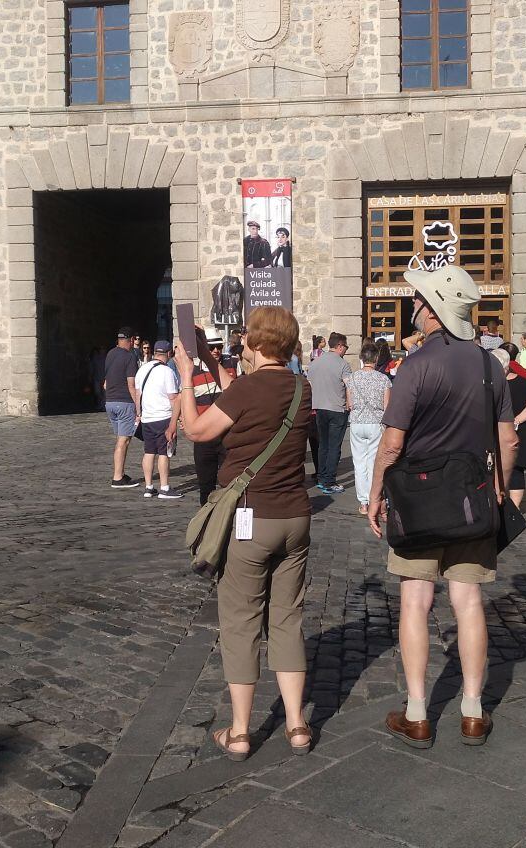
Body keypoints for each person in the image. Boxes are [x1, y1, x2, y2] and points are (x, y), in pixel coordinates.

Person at [368, 265, 517, 750]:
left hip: (418, 501)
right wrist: (501, 491)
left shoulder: (416, 366)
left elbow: (392, 444)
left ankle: (417, 713)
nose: (413, 305)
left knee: (415, 600)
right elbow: (509, 441)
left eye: (418, 300)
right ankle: (473, 710)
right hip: (473, 498)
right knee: (468, 601)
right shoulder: (491, 366)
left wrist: (375, 495)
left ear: (433, 311)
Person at [173, 306, 314, 761]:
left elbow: (197, 430)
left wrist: (187, 374)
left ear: (255, 341)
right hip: (295, 518)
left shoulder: (248, 389)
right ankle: (296, 725)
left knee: (241, 622)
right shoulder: (300, 387)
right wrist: (209, 358)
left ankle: (238, 732)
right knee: (287, 620)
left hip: (252, 519)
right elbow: (246, 395)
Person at [344, 340, 391, 516]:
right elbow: (387, 406)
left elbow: (349, 404)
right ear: (376, 358)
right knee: (373, 463)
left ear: (362, 358)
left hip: (357, 423)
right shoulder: (383, 379)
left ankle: (363, 503)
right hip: (376, 424)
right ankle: (374, 499)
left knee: (359, 463)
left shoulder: (352, 378)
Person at [191, 328, 236, 505]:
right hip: (204, 435)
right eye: (211, 348)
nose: (216, 351)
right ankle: (206, 516)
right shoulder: (192, 371)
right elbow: (185, 398)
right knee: (205, 485)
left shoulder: (233, 363)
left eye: (219, 347)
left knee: (229, 482)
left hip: (227, 434)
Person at [135, 340, 183, 499]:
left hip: (147, 418)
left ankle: (148, 487)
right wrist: (179, 418)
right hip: (163, 417)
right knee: (164, 453)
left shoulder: (142, 369)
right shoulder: (167, 371)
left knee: (149, 451)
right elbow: (173, 398)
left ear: (155, 352)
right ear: (169, 354)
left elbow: (137, 394)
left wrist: (139, 414)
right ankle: (164, 487)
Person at [492, 348, 526, 510]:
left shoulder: (493, 384)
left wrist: (516, 420)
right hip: (515, 429)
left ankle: (512, 507)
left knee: (512, 468)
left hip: (509, 429)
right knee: (511, 468)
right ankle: (510, 507)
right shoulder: (521, 381)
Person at [308, 332, 352, 494]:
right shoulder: (343, 364)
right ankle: (329, 481)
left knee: (323, 445)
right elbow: (349, 386)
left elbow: (310, 385)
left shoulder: (315, 363)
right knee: (334, 446)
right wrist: (349, 404)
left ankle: (321, 477)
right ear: (339, 346)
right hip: (337, 408)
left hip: (319, 407)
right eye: (346, 346)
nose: (346, 350)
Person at [104, 327, 141, 488]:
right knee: (123, 440)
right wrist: (138, 407)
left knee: (120, 439)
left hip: (110, 402)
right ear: (131, 340)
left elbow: (106, 382)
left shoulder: (110, 354)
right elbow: (131, 384)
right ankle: (118, 477)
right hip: (124, 402)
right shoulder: (129, 357)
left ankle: (120, 473)